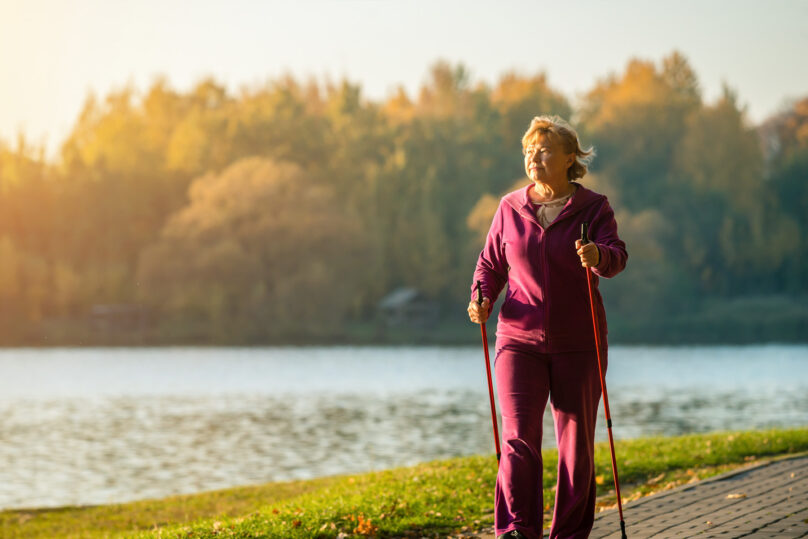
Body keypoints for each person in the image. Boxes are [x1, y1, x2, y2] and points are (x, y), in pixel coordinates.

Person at [467, 115, 627, 539]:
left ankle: (569, 535)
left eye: (543, 151)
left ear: (569, 158)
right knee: (519, 438)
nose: (532, 158)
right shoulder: (509, 208)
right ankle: (518, 531)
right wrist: (481, 297)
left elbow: (617, 255)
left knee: (575, 449)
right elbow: (490, 265)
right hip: (518, 341)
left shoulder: (593, 208)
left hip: (579, 343)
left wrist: (598, 256)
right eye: (528, 151)